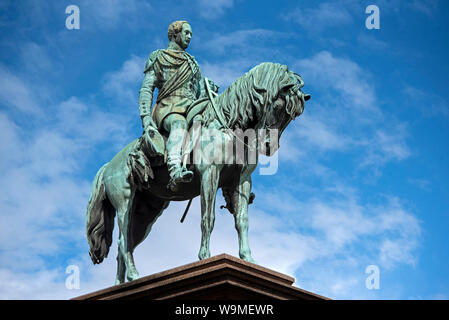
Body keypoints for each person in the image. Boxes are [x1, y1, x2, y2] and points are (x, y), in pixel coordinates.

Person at [138, 20, 217, 191]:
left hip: (191, 108)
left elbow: (198, 94)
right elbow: (147, 88)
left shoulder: (193, 63)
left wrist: (206, 86)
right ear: (175, 34)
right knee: (178, 123)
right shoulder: (158, 57)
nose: (189, 37)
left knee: (215, 128)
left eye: (191, 34)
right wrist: (145, 117)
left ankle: (230, 180)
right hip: (167, 107)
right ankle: (174, 168)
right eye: (186, 33)